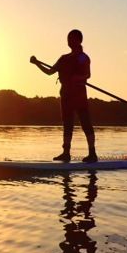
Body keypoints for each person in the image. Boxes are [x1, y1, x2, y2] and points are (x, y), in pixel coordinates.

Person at [31, 29, 97, 163]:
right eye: (68, 38)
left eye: (71, 38)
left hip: (78, 94)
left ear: (78, 40)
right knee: (67, 124)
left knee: (85, 123)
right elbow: (50, 72)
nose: (69, 41)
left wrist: (76, 78)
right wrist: (37, 63)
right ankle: (66, 153)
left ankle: (92, 153)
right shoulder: (63, 58)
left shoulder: (83, 57)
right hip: (66, 95)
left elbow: (87, 74)